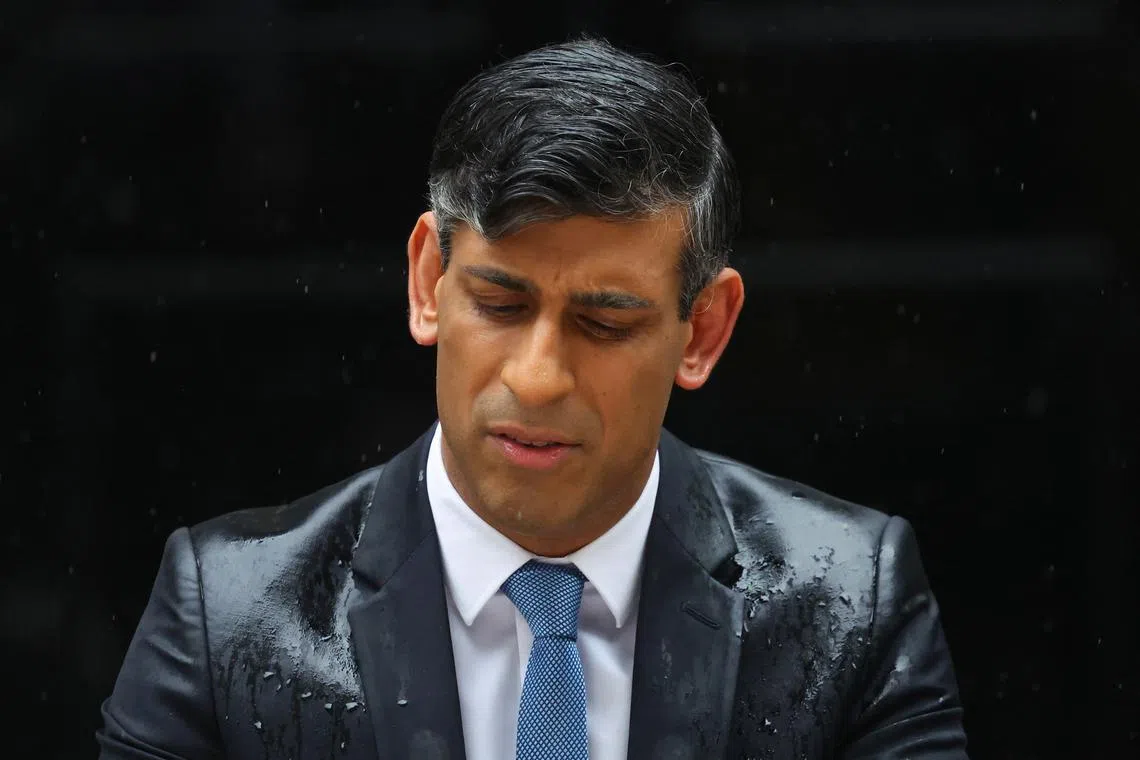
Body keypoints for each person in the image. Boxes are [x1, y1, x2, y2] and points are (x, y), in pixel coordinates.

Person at [97, 36, 969, 760]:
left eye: (603, 323)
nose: (537, 375)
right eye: (501, 304)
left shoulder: (850, 602)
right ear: (429, 282)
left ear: (702, 331)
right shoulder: (230, 613)